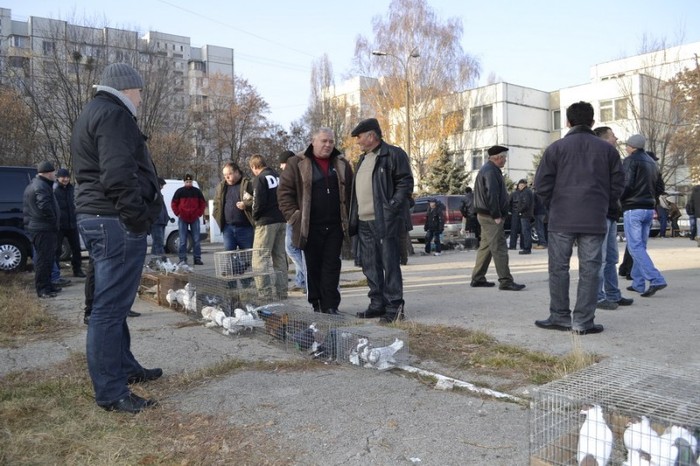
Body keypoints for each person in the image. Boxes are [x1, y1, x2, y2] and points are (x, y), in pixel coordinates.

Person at [72, 62, 162, 413]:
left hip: (99, 218)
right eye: (139, 92)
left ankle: (124, 367)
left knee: (114, 305)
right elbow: (118, 174)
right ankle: (112, 392)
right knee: (108, 310)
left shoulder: (93, 112)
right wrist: (137, 219)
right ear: (127, 89)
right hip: (114, 221)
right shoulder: (113, 115)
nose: (140, 99)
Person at [533, 101, 624, 335]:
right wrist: (603, 205)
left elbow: (542, 185)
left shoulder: (556, 148)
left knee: (558, 269)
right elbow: (617, 186)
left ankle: (560, 317)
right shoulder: (608, 151)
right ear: (592, 122)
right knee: (591, 270)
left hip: (561, 218)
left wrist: (555, 206)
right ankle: (583, 321)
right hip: (594, 218)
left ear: (567, 122)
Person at [278, 129, 353, 313]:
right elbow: (284, 193)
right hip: (309, 227)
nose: (328, 145)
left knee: (332, 266)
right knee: (313, 267)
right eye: (324, 141)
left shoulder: (342, 164)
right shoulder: (297, 163)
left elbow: (351, 193)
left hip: (335, 226)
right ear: (313, 142)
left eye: (331, 141)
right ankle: (317, 304)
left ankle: (331, 306)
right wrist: (294, 217)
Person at [349, 118, 414, 323]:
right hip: (364, 221)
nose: (358, 141)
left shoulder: (393, 154)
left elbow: (405, 182)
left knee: (389, 263)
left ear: (371, 136)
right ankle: (377, 304)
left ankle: (394, 306)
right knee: (370, 265)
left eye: (359, 137)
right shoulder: (363, 159)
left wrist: (392, 206)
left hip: (385, 220)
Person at [469, 146, 525, 291]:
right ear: (498, 158)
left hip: (485, 214)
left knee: (486, 248)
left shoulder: (488, 169)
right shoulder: (490, 171)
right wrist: (496, 215)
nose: (505, 161)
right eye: (504, 158)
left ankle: (478, 278)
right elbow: (491, 195)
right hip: (490, 216)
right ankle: (505, 281)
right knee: (499, 247)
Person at [620, 134, 667, 297]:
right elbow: (660, 186)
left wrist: (618, 200)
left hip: (633, 208)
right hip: (649, 208)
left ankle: (656, 279)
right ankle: (638, 283)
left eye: (627, 145)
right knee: (641, 246)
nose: (626, 148)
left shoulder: (630, 160)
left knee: (634, 246)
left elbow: (626, 184)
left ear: (632, 146)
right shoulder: (652, 162)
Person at [592, 126, 633, 311]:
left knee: (611, 258)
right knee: (599, 259)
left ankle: (613, 294)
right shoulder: (597, 159)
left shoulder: (611, 158)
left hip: (611, 213)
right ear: (604, 139)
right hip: (600, 214)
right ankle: (598, 297)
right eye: (613, 136)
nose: (616, 139)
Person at [248, 154, 288, 298]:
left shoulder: (259, 179)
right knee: (279, 257)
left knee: (260, 258)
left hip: (266, 222)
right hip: (281, 219)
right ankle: (282, 291)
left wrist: (255, 217)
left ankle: (265, 293)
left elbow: (258, 202)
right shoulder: (278, 176)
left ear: (254, 167)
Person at [23, 161, 60, 298]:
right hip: (43, 228)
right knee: (44, 260)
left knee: (48, 258)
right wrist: (52, 221)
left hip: (41, 227)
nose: (55, 175)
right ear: (48, 173)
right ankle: (43, 289)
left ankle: (48, 285)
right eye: (54, 173)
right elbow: (44, 206)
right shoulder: (41, 186)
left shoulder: (37, 184)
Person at [277, 151, 307, 291]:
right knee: (298, 249)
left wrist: (292, 214)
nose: (281, 168)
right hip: (296, 215)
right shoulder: (300, 169)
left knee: (291, 248)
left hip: (295, 217)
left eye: (282, 164)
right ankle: (301, 280)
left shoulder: (292, 171)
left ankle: (308, 277)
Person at [212, 161, 255, 252]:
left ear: (236, 172)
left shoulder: (248, 184)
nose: (227, 177)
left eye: (229, 174)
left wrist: (246, 205)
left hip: (246, 228)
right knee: (229, 258)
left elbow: (256, 201)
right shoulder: (221, 187)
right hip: (228, 228)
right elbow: (216, 204)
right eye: (225, 175)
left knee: (247, 257)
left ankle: (245, 266)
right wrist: (219, 219)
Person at [53, 168, 85, 278]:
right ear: (58, 178)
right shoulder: (55, 190)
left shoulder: (72, 189)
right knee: (57, 250)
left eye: (67, 177)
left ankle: (77, 269)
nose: (66, 179)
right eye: (63, 177)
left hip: (72, 224)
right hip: (60, 225)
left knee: (76, 248)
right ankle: (56, 273)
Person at [172, 174, 206, 265]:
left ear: (192, 182)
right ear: (184, 182)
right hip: (183, 218)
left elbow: (203, 203)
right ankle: (182, 259)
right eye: (187, 182)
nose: (188, 183)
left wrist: (199, 213)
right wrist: (178, 213)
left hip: (194, 218)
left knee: (196, 239)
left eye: (190, 182)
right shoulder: (179, 191)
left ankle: (197, 258)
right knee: (182, 240)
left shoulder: (197, 191)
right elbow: (173, 204)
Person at [511, 179, 534, 255]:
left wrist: (519, 211)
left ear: (524, 185)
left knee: (525, 231)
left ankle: (526, 248)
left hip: (525, 214)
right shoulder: (528, 191)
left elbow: (525, 203)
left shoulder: (526, 192)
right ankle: (526, 247)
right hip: (527, 214)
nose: (519, 187)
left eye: (520, 185)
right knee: (526, 231)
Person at [150, 177, 170, 257]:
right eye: (162, 185)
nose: (162, 187)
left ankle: (154, 260)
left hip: (161, 221)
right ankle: (161, 260)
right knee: (159, 242)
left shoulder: (159, 194)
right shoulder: (154, 194)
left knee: (157, 243)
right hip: (157, 221)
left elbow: (163, 209)